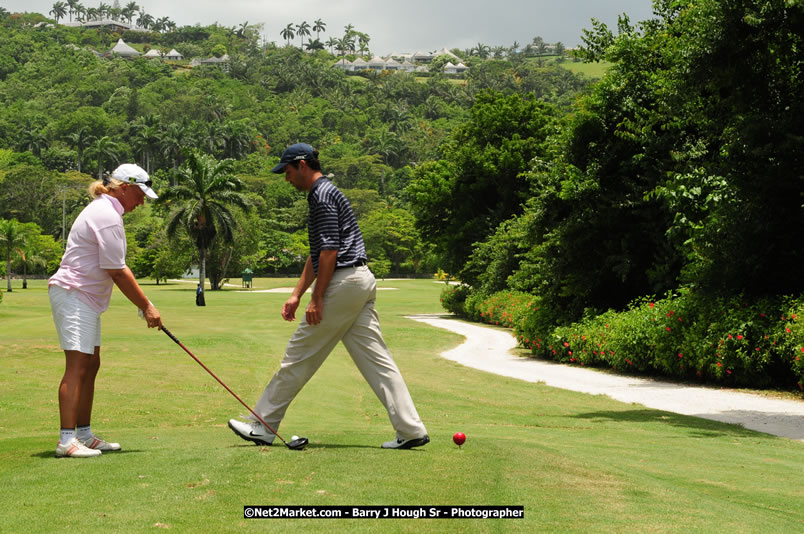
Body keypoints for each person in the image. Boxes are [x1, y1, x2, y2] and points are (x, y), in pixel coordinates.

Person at [228, 143, 429, 449]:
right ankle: (411, 429)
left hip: (344, 282)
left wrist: (316, 298)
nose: (287, 179)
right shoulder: (325, 193)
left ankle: (263, 425)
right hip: (360, 281)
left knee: (299, 354)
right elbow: (317, 253)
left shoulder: (321, 196)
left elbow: (330, 252)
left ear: (302, 164)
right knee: (378, 361)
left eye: (288, 171)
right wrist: (296, 294)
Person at [49, 163, 163, 458]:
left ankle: (84, 434)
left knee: (91, 363)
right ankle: (66, 440)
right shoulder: (106, 215)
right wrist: (147, 306)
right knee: (77, 366)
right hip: (74, 293)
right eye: (139, 195)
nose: (141, 202)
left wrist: (143, 305)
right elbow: (117, 270)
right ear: (124, 188)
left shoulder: (108, 211)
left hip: (84, 297)